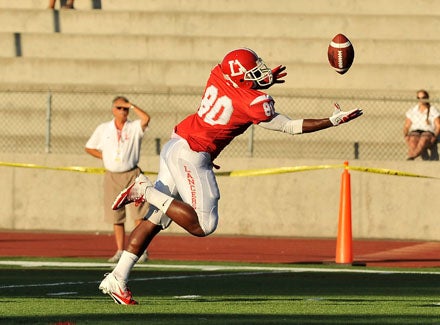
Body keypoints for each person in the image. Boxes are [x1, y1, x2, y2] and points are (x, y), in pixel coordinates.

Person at [98, 48, 363, 305]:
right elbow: (290, 127)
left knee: (155, 219)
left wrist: (262, 79)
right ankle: (144, 190)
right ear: (242, 76)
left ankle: (117, 278)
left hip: (177, 143)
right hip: (192, 154)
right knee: (204, 224)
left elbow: (237, 84)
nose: (259, 73)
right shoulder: (251, 103)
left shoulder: (218, 74)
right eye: (254, 71)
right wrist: (332, 121)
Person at [85, 96, 151, 263]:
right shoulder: (104, 128)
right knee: (116, 215)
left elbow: (146, 118)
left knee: (139, 214)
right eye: (119, 108)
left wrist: (133, 105)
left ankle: (140, 250)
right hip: (112, 175)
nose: (123, 111)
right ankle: (120, 250)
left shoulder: (134, 127)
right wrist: (105, 157)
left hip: (132, 174)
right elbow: (89, 147)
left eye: (125, 108)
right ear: (113, 110)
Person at [403, 89, 440, 160]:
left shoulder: (433, 110)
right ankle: (414, 157)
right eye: (418, 98)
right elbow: (406, 126)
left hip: (428, 132)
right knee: (413, 138)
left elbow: (438, 126)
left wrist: (435, 137)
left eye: (423, 98)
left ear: (427, 98)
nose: (421, 100)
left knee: (424, 138)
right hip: (416, 131)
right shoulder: (413, 110)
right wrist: (405, 135)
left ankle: (411, 156)